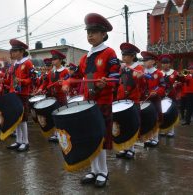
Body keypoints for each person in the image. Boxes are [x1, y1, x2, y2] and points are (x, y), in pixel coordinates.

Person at [63, 13, 120, 187]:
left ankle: (103, 171)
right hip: (88, 103)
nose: (90, 35)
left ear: (103, 34)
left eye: (94, 32)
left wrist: (106, 83)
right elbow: (77, 76)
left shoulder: (109, 52)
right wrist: (67, 82)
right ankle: (94, 170)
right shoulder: (85, 57)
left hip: (102, 102)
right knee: (90, 138)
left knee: (100, 138)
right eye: (88, 32)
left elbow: (116, 76)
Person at [116, 42, 144, 159]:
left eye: (126, 55)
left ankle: (131, 149)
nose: (123, 57)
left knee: (131, 126)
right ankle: (123, 148)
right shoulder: (122, 68)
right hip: (121, 101)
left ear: (132, 56)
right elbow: (119, 83)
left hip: (133, 101)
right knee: (122, 125)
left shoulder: (139, 68)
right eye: (123, 55)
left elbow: (142, 85)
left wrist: (140, 78)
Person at [6, 39, 34, 152]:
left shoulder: (27, 63)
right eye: (12, 51)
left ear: (22, 51)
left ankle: (25, 142)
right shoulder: (14, 64)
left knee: (23, 119)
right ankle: (18, 140)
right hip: (14, 93)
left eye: (15, 51)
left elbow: (33, 79)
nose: (12, 53)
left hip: (23, 94)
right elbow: (11, 80)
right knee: (16, 118)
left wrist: (22, 81)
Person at [37, 50, 69, 142]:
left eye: (54, 59)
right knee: (54, 116)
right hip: (52, 97)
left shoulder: (65, 71)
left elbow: (67, 83)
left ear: (60, 60)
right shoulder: (51, 72)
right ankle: (56, 134)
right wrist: (40, 88)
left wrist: (62, 84)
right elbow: (45, 82)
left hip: (61, 97)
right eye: (52, 59)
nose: (53, 61)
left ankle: (63, 135)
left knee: (61, 117)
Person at [141, 51, 166, 147]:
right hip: (145, 99)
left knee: (155, 118)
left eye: (147, 60)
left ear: (153, 62)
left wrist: (157, 92)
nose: (144, 62)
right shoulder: (142, 72)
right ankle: (148, 138)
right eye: (144, 60)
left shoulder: (158, 73)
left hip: (155, 99)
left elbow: (163, 86)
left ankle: (155, 138)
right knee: (147, 119)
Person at [159, 54, 178, 137]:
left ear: (170, 64)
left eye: (167, 63)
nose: (165, 65)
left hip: (171, 95)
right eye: (163, 63)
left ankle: (171, 131)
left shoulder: (174, 73)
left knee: (171, 113)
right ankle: (163, 130)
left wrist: (177, 83)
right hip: (162, 96)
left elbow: (182, 82)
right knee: (162, 114)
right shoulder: (159, 73)